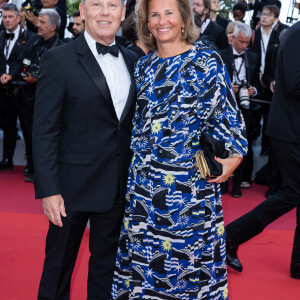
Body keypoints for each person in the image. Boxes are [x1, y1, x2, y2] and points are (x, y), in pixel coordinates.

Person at [111, 0, 247, 299]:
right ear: (146, 23)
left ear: (184, 19)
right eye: (154, 14)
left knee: (185, 274)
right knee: (144, 273)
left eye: (169, 13)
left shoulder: (207, 62)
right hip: (144, 194)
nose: (162, 21)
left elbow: (231, 121)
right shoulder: (144, 66)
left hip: (188, 193)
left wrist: (231, 163)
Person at [32, 0, 139, 298]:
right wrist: (49, 190)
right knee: (58, 269)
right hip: (70, 189)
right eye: (96, 4)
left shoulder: (134, 60)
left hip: (118, 186)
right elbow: (44, 129)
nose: (104, 12)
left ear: (122, 12)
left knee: (107, 270)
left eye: (112, 5)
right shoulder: (58, 59)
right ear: (82, 10)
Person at [226, 21, 300, 280]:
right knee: (293, 192)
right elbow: (293, 83)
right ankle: (230, 236)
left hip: (293, 128)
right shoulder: (296, 34)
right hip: (290, 130)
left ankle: (299, 265)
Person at [19, 8, 63, 183]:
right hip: (29, 96)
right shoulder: (33, 41)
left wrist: (38, 78)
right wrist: (26, 73)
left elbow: (59, 74)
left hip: (50, 100)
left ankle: (46, 173)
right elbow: (23, 59)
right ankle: (32, 166)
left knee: (48, 137)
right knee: (29, 132)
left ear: (53, 26)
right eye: (38, 22)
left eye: (42, 22)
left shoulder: (61, 47)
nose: (37, 25)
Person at [219, 23, 260, 198]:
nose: (244, 45)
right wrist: (229, 88)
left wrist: (253, 90)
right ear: (233, 38)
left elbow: (259, 83)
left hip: (245, 107)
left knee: (241, 147)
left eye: (247, 42)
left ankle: (237, 184)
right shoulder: (221, 56)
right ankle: (222, 182)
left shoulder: (254, 57)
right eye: (241, 41)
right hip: (223, 108)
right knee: (222, 146)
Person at [0, 3, 32, 172]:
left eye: (10, 16)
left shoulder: (29, 37)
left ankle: (31, 163)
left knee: (27, 126)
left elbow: (24, 61)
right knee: (7, 125)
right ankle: (7, 159)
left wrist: (11, 75)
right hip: (4, 90)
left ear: (18, 18)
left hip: (22, 89)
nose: (7, 20)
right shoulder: (0, 36)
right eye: (4, 17)